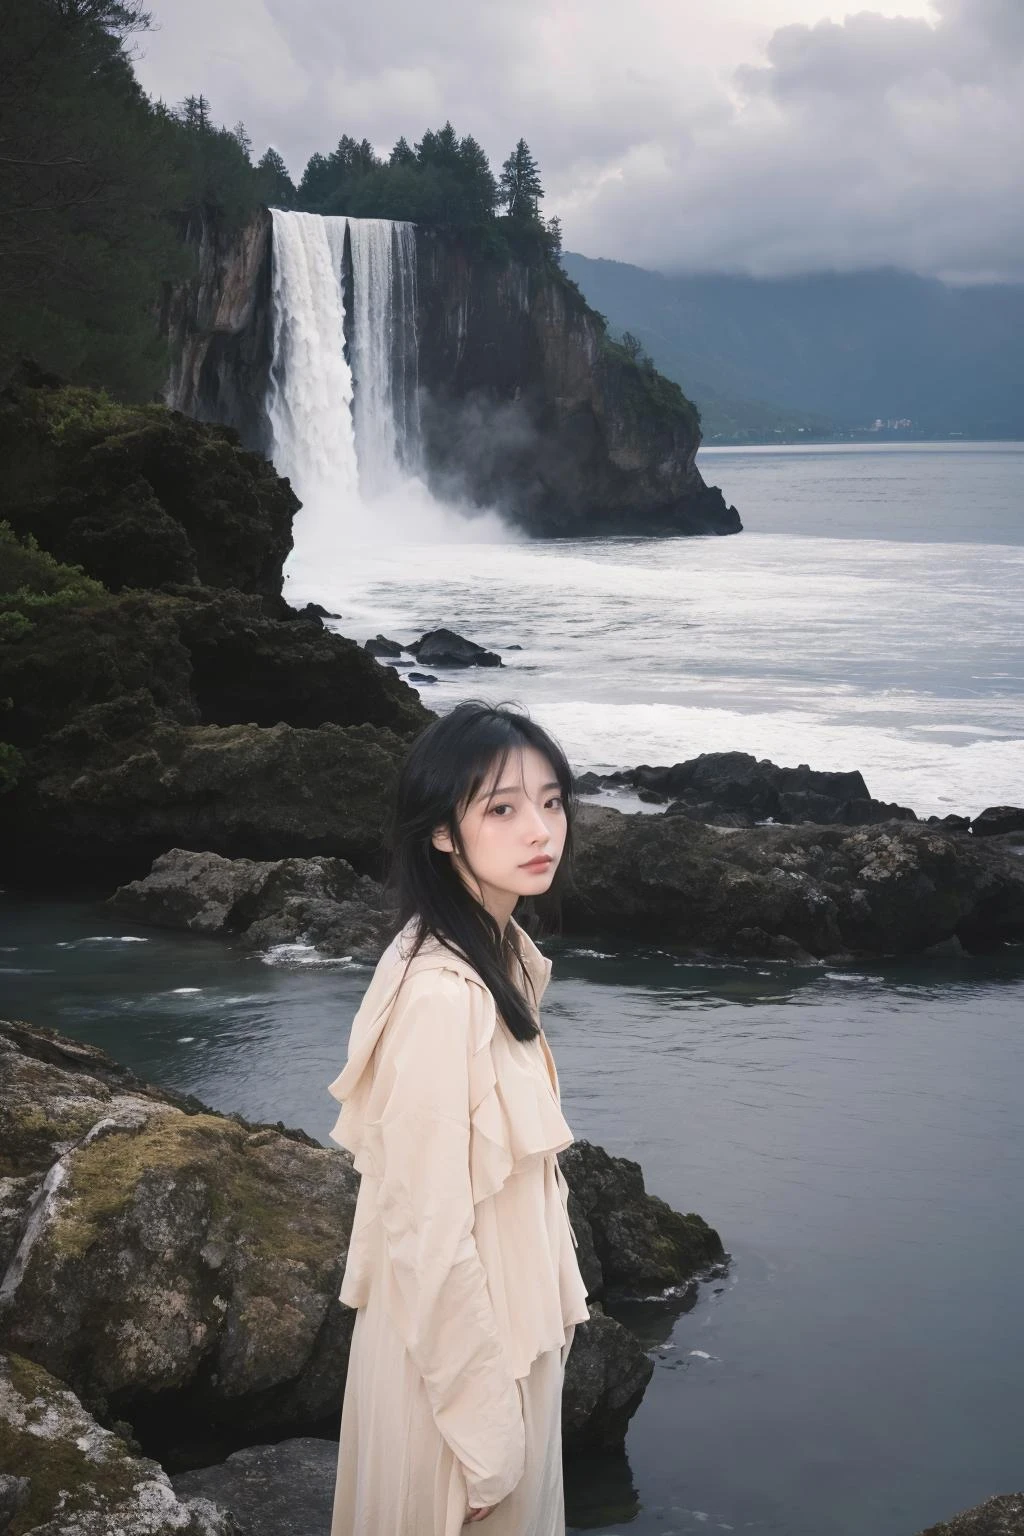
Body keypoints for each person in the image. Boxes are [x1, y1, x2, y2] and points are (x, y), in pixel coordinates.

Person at [327, 700, 591, 1535]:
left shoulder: (491, 953)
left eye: (550, 801)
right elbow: (427, 1233)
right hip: (459, 1385)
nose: (539, 829)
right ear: (443, 832)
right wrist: (485, 1436)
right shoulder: (445, 996)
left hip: (500, 1354)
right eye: (502, 808)